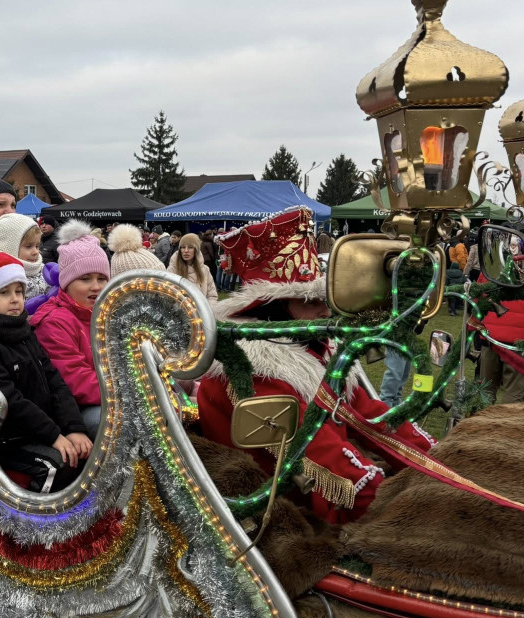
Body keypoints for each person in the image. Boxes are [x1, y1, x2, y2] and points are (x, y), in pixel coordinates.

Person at [196, 207, 436, 524]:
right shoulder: (252, 372)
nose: (325, 312)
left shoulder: (311, 350)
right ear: (273, 307)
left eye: (325, 299)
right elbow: (324, 462)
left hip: (311, 492)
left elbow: (370, 413)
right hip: (280, 513)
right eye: (310, 301)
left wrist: (439, 458)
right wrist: (413, 505)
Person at [0, 251, 92, 492]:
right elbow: (8, 400)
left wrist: (74, 429)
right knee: (57, 465)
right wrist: (54, 436)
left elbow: (54, 381)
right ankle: (35, 524)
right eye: (4, 292)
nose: (16, 299)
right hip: (4, 439)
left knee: (86, 451)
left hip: (36, 429)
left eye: (19, 291)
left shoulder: (22, 331)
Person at [31, 221, 111, 437]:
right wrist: (125, 388)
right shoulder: (55, 322)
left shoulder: (108, 314)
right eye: (85, 279)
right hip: (75, 410)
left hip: (110, 393)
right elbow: (73, 379)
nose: (96, 286)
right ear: (66, 283)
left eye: (102, 278)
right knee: (116, 421)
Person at [167, 233, 219, 303]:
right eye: (183, 247)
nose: (186, 250)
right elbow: (167, 296)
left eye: (190, 247)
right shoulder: (172, 269)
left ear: (196, 250)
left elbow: (212, 296)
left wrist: (204, 311)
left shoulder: (205, 270)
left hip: (200, 312)